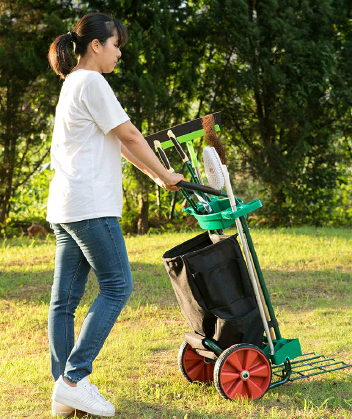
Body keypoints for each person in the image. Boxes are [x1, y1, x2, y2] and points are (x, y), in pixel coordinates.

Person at [46, 12, 184, 417]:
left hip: (66, 206)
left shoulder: (73, 82)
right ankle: (74, 379)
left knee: (63, 302)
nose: (119, 53)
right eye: (116, 45)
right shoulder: (92, 81)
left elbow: (120, 143)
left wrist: (157, 176)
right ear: (96, 45)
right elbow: (131, 135)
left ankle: (63, 390)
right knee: (118, 286)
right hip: (91, 207)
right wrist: (165, 170)